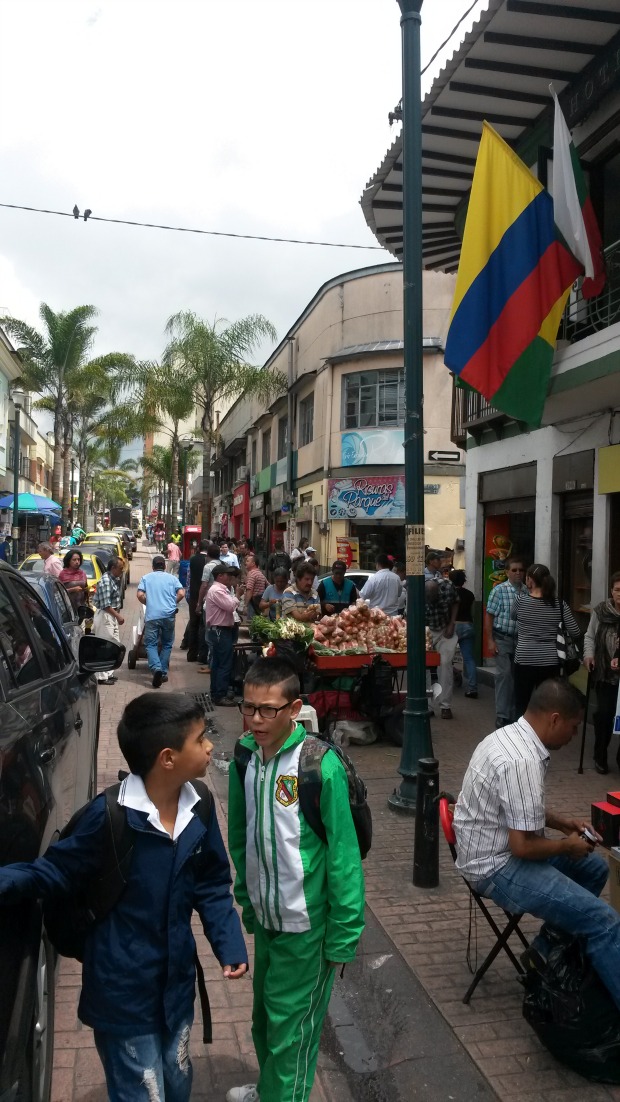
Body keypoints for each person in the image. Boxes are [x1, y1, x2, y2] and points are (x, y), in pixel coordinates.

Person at [0, 693, 248, 1101]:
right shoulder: (108, 818)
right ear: (168, 758)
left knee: (177, 1075)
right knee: (141, 1090)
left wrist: (228, 941)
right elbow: (52, 871)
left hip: (176, 987)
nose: (209, 746)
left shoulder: (199, 806)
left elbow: (211, 882)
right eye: (201, 739)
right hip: (122, 997)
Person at [227, 658, 365, 1102]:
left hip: (307, 929)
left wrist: (344, 934)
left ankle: (282, 1095)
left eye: (269, 709)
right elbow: (240, 837)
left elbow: (344, 857)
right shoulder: (244, 757)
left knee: (293, 1034)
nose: (257, 720)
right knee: (265, 1021)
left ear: (295, 708)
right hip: (267, 922)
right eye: (249, 708)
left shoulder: (318, 767)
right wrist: (247, 902)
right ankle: (271, 1091)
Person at [453, 678, 620, 1012]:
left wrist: (563, 824)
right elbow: (523, 848)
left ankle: (542, 952)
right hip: (494, 866)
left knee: (595, 868)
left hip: (488, 849)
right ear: (554, 719)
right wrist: (566, 846)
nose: (574, 736)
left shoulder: (509, 735)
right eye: (573, 728)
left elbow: (520, 807)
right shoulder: (522, 761)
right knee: (605, 921)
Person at [511, 563, 581, 717]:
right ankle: (545, 737)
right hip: (550, 662)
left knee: (522, 704)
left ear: (529, 580)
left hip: (524, 659)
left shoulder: (520, 601)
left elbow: (513, 616)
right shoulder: (560, 605)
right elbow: (575, 631)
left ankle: (521, 737)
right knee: (548, 704)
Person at [583, 571, 620, 774]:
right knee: (604, 714)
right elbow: (589, 636)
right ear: (611, 591)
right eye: (617, 589)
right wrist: (589, 656)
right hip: (605, 674)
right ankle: (600, 755)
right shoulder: (601, 611)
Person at [485, 557, 525, 728]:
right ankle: (502, 714)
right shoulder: (499, 591)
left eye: (521, 570)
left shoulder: (527, 591)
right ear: (507, 572)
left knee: (519, 676)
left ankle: (516, 712)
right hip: (502, 638)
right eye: (514, 570)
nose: (518, 573)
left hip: (522, 640)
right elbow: (489, 616)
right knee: (504, 675)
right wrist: (489, 640)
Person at [137, 555, 185, 688]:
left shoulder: (146, 578)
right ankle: (162, 672)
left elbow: (140, 595)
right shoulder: (172, 578)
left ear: (153, 567)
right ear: (164, 566)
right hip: (169, 615)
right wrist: (172, 603)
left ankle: (156, 668)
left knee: (150, 644)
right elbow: (181, 593)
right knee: (167, 643)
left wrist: (149, 602)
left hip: (152, 616)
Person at [205, 563, 242, 705]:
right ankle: (220, 695)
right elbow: (230, 606)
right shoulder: (217, 590)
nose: (229, 577)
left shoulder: (220, 589)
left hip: (220, 630)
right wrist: (238, 595)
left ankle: (217, 692)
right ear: (220, 576)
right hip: (220, 631)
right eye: (227, 575)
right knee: (223, 664)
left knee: (218, 663)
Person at [425, 577, 459, 719]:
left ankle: (445, 705)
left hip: (445, 628)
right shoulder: (416, 591)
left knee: (445, 664)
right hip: (426, 628)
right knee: (424, 667)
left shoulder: (447, 587)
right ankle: (427, 705)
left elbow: (456, 602)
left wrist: (452, 623)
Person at [91, 556, 125, 685]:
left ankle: (109, 673)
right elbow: (106, 605)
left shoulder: (113, 579)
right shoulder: (106, 581)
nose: (122, 571)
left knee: (113, 644)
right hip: (106, 615)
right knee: (105, 645)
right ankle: (101, 676)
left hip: (110, 615)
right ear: (113, 568)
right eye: (120, 569)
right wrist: (118, 616)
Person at [196, 542, 225, 673]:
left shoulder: (208, 567)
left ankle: (211, 665)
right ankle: (213, 663)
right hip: (221, 603)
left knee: (209, 634)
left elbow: (203, 585)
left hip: (210, 603)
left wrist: (198, 603)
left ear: (208, 555)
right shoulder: (223, 565)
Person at [450, 569, 477, 699]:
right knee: (469, 658)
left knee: (446, 657)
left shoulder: (449, 593)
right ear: (464, 581)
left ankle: (450, 679)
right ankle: (472, 687)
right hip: (467, 625)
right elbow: (472, 612)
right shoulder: (470, 594)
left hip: (452, 625)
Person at [184, 539, 211, 661]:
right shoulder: (211, 561)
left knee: (193, 624)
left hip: (194, 596)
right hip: (209, 597)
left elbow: (189, 578)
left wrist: (188, 595)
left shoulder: (193, 559)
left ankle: (191, 653)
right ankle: (203, 654)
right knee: (204, 626)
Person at [58, 549, 89, 613]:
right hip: (67, 609)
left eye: (78, 559)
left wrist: (88, 590)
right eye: (74, 560)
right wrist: (73, 589)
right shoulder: (63, 574)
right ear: (68, 561)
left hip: (81, 607)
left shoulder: (82, 573)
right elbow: (58, 592)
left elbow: (85, 590)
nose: (77, 562)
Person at [243, 553, 267, 620]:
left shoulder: (252, 574)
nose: (245, 563)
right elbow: (268, 585)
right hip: (259, 603)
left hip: (252, 603)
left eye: (247, 561)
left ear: (253, 563)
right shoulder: (260, 573)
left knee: (251, 624)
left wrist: (245, 605)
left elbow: (249, 590)